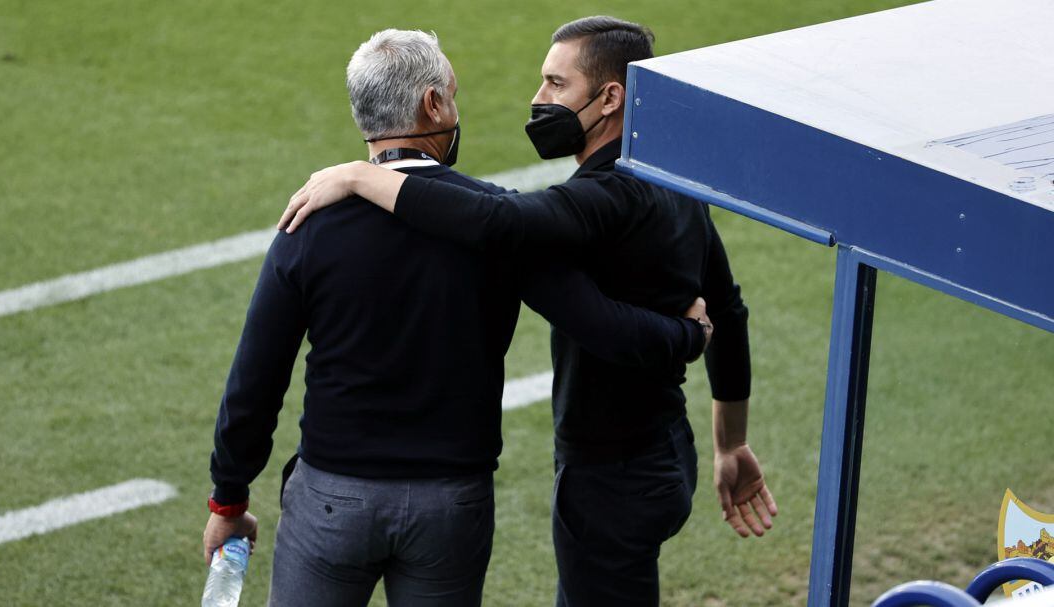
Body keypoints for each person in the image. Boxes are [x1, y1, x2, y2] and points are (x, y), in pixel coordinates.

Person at [277, 16, 778, 607]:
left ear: (610, 98)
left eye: (555, 84)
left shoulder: (605, 196)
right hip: (669, 453)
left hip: (610, 475)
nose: (538, 100)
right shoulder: (672, 182)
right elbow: (729, 308)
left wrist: (365, 174)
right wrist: (731, 443)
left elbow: (504, 228)